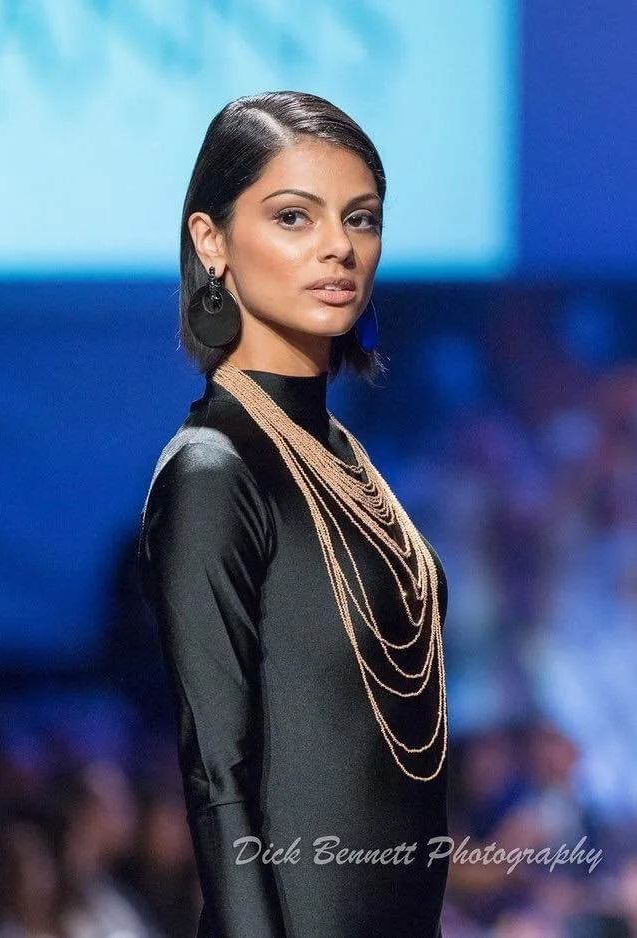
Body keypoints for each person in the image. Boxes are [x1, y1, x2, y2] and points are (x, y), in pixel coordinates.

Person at [137, 90, 450, 938]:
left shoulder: (345, 458)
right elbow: (217, 775)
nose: (338, 247)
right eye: (293, 217)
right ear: (212, 242)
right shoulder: (214, 469)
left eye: (360, 218)